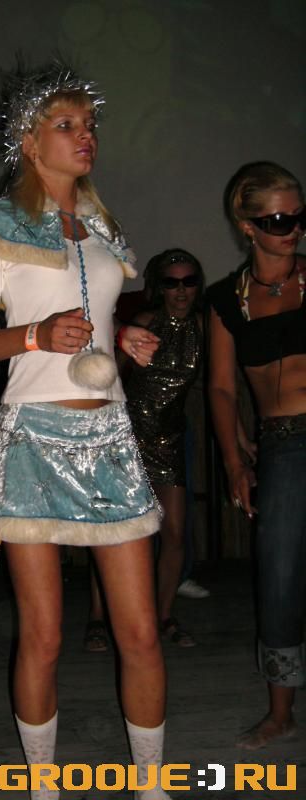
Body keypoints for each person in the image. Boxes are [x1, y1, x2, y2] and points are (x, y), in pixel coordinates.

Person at [0, 62, 172, 800]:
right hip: (34, 443)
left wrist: (124, 337)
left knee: (139, 632)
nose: (86, 137)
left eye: (90, 125)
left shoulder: (101, 228)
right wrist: (35, 336)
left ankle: (152, 787)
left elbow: (96, 321)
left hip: (107, 437)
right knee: (42, 635)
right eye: (67, 125)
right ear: (28, 139)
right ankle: (43, 788)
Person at [208, 161, 306, 750]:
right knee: (279, 574)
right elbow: (221, 388)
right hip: (282, 443)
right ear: (247, 226)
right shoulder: (228, 300)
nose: (292, 229)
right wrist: (233, 461)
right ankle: (280, 711)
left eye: (299, 216)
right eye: (276, 220)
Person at [124, 248, 206, 647]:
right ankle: (101, 618)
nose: (181, 290)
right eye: (172, 282)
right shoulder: (143, 323)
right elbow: (110, 375)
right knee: (123, 533)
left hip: (170, 436)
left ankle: (163, 616)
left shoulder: (203, 327)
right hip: (130, 433)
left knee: (174, 533)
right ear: (159, 287)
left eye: (189, 281)